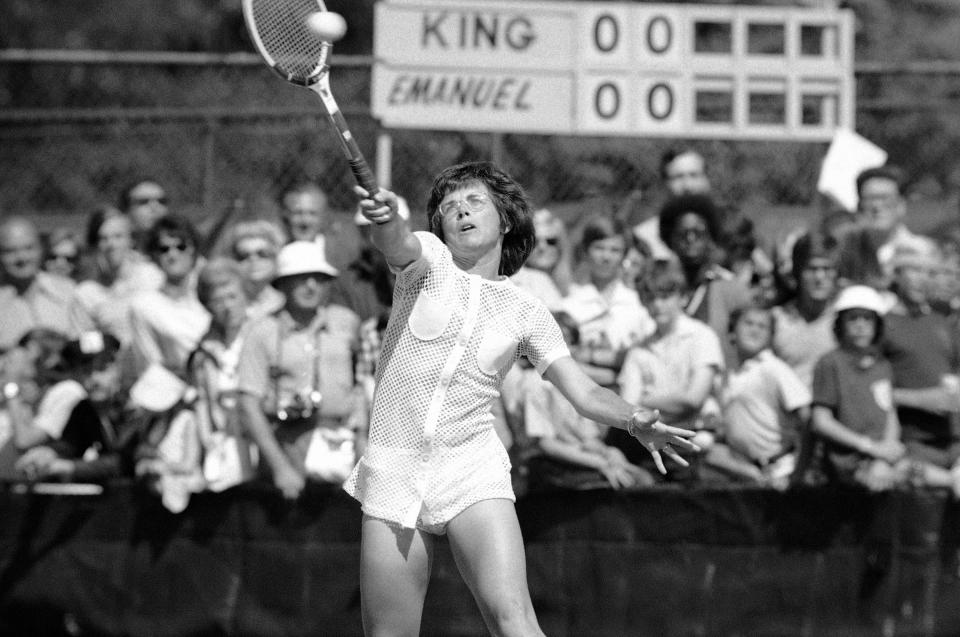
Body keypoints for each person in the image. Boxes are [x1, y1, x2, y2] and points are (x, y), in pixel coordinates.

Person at [347, 161, 696, 637]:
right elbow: (397, 242)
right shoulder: (427, 262)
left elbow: (584, 391)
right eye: (449, 208)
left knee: (515, 621)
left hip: (472, 467)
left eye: (474, 202)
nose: (461, 212)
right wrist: (386, 219)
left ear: (505, 220)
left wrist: (634, 420)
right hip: (394, 467)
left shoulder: (528, 310)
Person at [237, 241, 365, 496]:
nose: (310, 286)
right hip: (288, 447)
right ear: (282, 284)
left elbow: (361, 388)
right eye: (300, 278)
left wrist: (363, 449)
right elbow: (248, 404)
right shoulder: (262, 332)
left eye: (319, 279)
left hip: (342, 447)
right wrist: (280, 467)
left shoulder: (346, 323)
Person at [613, 260, 725, 476]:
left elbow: (693, 399)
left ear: (683, 297)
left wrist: (646, 399)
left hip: (696, 443)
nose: (657, 305)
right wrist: (646, 409)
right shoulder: (639, 351)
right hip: (652, 444)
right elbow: (629, 412)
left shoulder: (702, 336)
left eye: (665, 297)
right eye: (650, 298)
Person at [810, 285, 908, 491]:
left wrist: (886, 452)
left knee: (914, 471)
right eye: (853, 318)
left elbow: (889, 413)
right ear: (840, 324)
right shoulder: (830, 363)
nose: (860, 325)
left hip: (881, 460)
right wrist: (869, 447)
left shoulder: (883, 365)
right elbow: (821, 421)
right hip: (845, 465)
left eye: (867, 319)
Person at [705, 305, 811, 488]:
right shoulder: (724, 377)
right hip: (744, 472)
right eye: (748, 323)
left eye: (763, 327)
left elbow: (807, 418)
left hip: (781, 471)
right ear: (732, 330)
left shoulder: (774, 369)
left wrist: (798, 472)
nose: (755, 330)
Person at [561, 213, 653, 389]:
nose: (606, 257)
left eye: (615, 250)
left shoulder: (638, 302)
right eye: (599, 248)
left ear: (624, 254)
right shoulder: (570, 302)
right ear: (586, 251)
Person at [658, 193, 752, 346]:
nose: (690, 240)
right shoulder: (657, 283)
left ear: (711, 237)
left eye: (698, 233)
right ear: (670, 238)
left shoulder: (731, 288)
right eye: (683, 234)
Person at [127, 214, 211, 382]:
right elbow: (151, 365)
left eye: (181, 247)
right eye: (163, 249)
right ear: (155, 255)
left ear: (193, 250)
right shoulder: (144, 306)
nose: (172, 255)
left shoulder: (211, 298)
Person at [0, 216, 92, 351]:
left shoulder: (68, 291)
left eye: (28, 248)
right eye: (10, 251)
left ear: (40, 249)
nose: (21, 257)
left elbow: (89, 343)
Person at [74, 206, 163, 345]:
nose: (111, 244)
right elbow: (88, 347)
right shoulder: (86, 293)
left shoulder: (153, 277)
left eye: (118, 236)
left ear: (131, 239)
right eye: (103, 238)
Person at [771, 231, 840, 389]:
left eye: (827, 269)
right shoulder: (777, 319)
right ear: (798, 272)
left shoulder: (845, 319)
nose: (819, 277)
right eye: (811, 269)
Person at [220, 219, 287, 320]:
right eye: (243, 256)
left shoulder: (287, 302)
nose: (253, 260)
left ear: (275, 258)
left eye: (262, 254)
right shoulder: (224, 304)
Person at [119, 178, 169, 251]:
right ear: (126, 211)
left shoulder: (182, 252)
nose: (155, 207)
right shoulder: (113, 255)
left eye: (161, 201)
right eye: (144, 202)